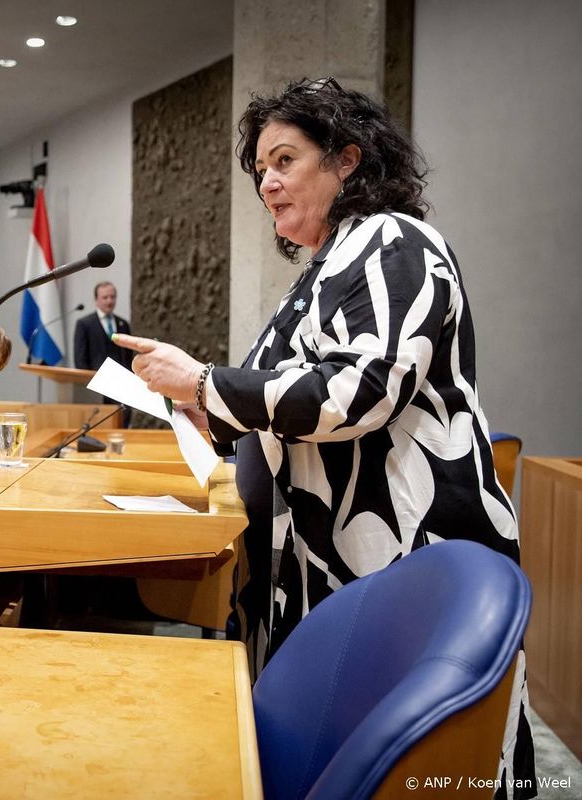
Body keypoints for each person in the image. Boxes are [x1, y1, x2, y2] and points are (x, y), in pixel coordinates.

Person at [115, 76, 533, 793]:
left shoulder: (393, 239)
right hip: (325, 554)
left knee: (401, 764)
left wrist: (204, 382)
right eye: (260, 171)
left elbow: (359, 391)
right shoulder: (328, 264)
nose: (267, 183)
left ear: (346, 159)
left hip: (403, 543)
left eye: (284, 161)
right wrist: (206, 410)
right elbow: (282, 400)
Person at [73, 281, 132, 372]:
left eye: (112, 297)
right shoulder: (84, 324)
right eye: (105, 297)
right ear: (96, 300)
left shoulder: (123, 324)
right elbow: (80, 360)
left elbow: (128, 356)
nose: (109, 301)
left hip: (120, 378)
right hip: (95, 378)